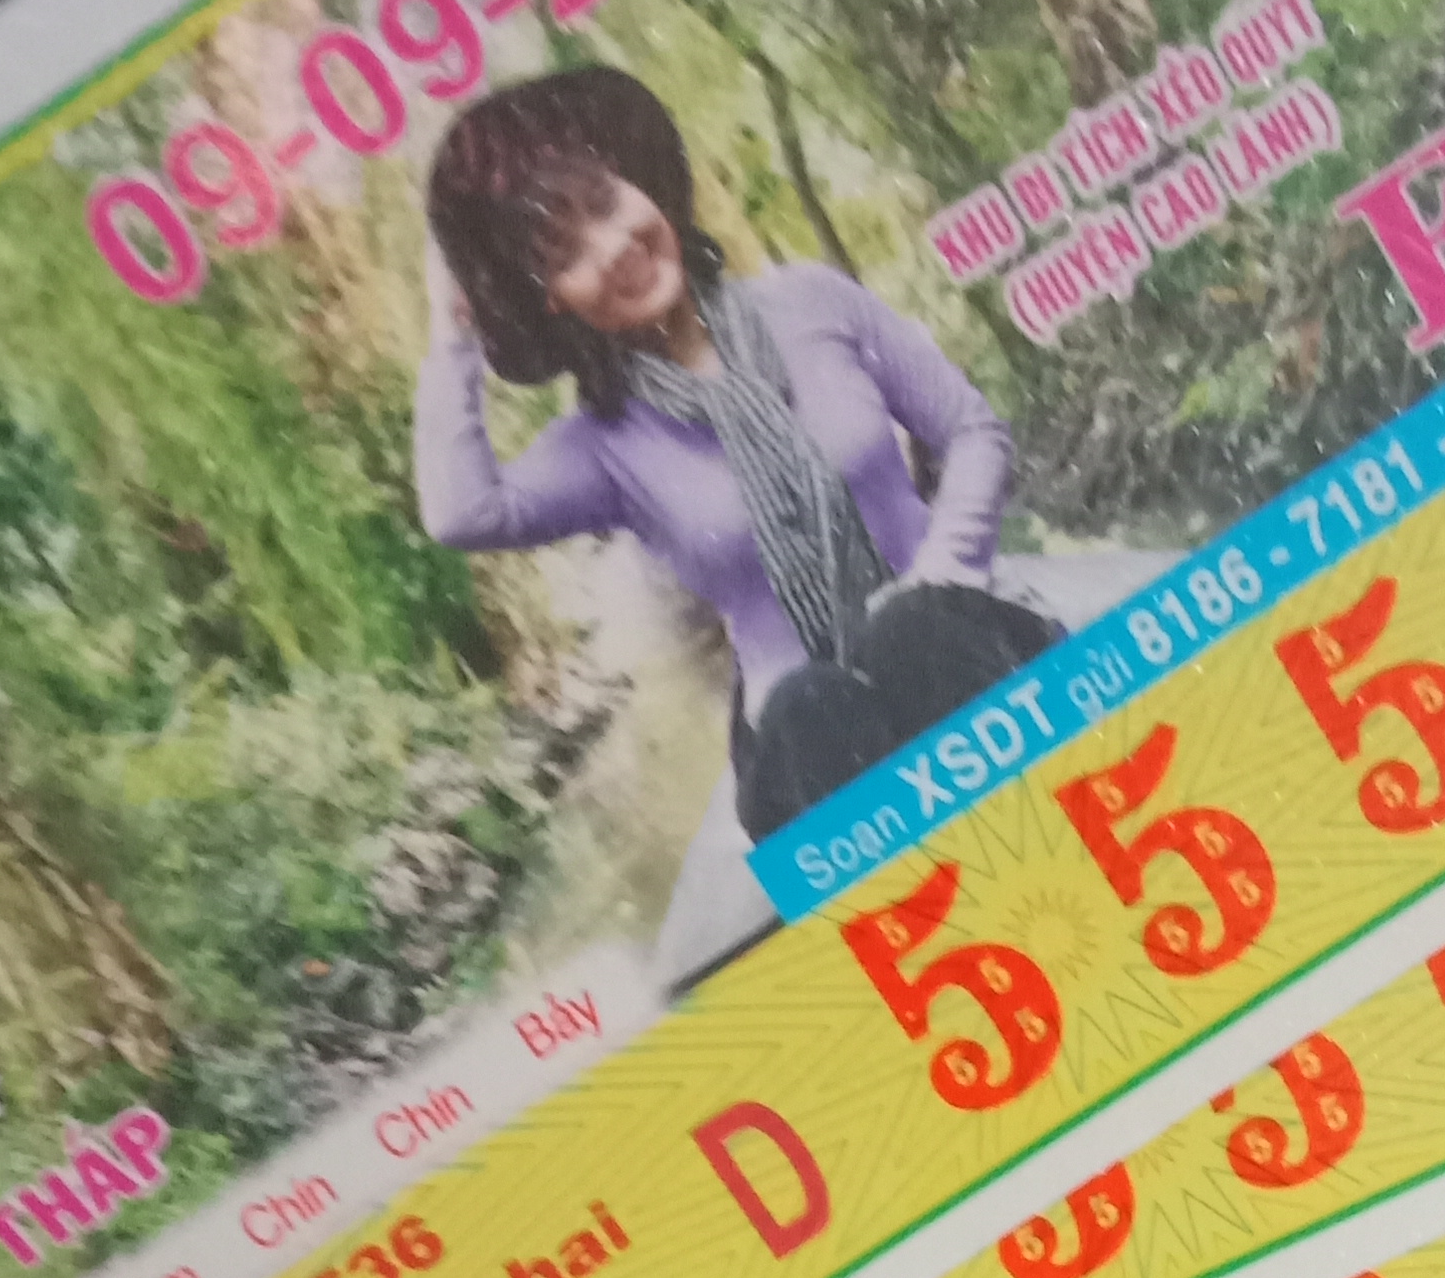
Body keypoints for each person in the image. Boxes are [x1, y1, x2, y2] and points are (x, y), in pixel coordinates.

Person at [416, 66, 1055, 979]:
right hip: (809, 737)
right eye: (566, 255)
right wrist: (451, 333)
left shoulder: (812, 304)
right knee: (811, 705)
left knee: (911, 632)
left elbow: (971, 431)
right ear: (550, 298)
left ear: (642, 183)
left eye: (607, 204)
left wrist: (944, 572)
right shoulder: (600, 446)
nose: (614, 248)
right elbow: (461, 512)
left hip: (955, 637)